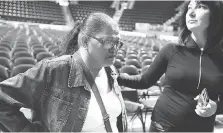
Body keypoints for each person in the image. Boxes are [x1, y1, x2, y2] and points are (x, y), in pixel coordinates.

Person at [0, 12, 127, 132]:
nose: (115, 49)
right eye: (109, 42)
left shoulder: (110, 70)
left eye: (118, 43)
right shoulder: (54, 71)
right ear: (84, 41)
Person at [117, 0, 223, 132]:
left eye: (200, 7)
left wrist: (216, 107)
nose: (191, 13)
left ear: (216, 14)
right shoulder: (172, 49)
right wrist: (116, 77)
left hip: (202, 129)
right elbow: (145, 81)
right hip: (163, 126)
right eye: (189, 8)